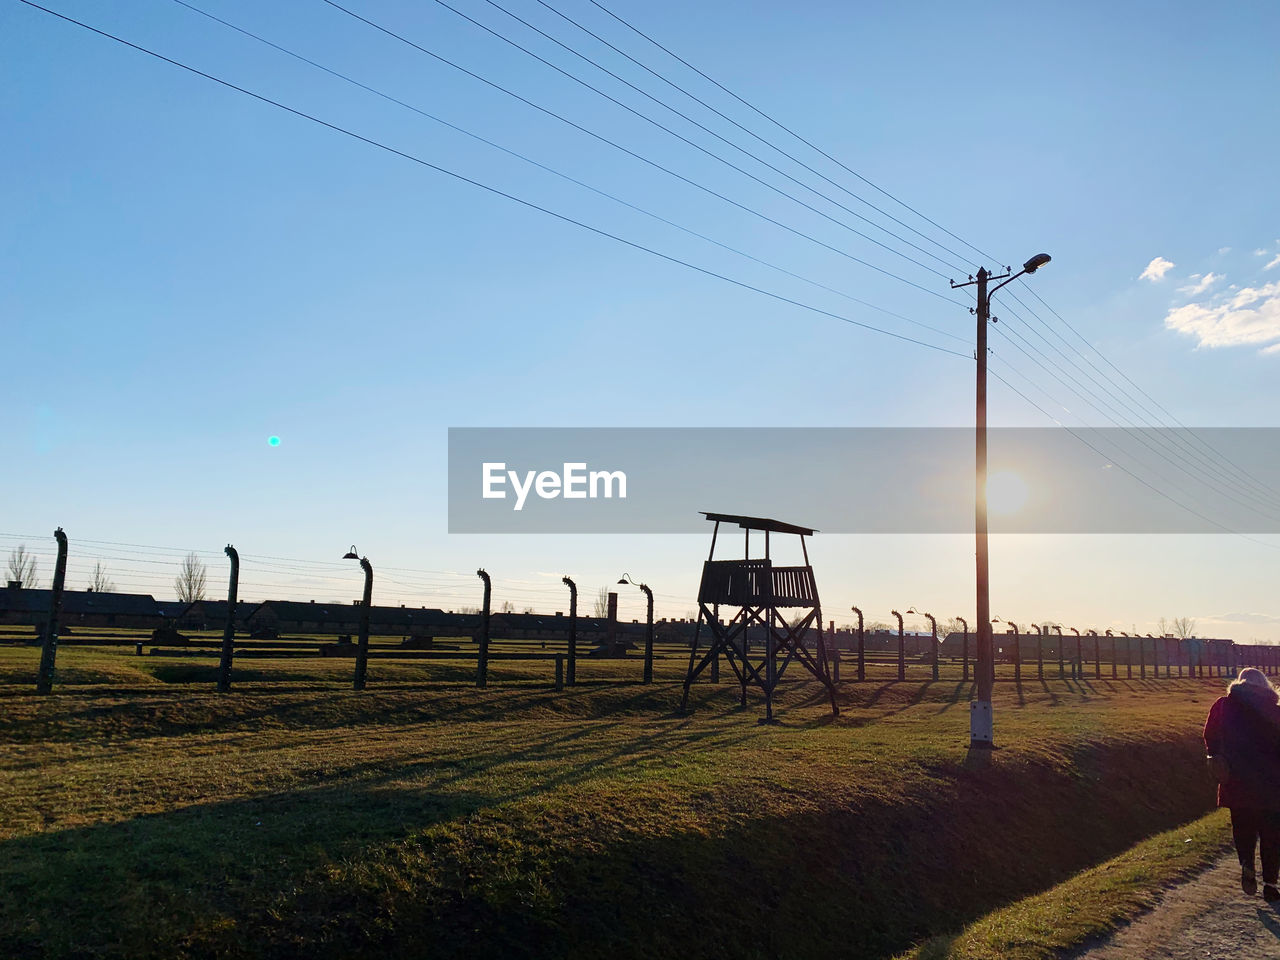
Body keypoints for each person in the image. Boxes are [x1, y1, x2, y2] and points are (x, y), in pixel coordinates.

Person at [1203, 668, 1280, 900]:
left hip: (1236, 780)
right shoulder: (1274, 710)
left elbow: (1210, 734)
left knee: (1243, 828)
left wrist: (1216, 755)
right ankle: (1270, 885)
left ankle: (1246, 863)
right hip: (1271, 784)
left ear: (1239, 683)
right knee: (1272, 834)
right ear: (1265, 686)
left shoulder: (1223, 705)